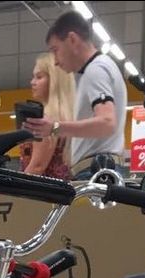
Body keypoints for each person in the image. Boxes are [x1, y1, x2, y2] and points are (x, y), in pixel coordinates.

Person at [23, 10, 127, 179]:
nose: (55, 61)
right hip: (95, 168)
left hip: (96, 170)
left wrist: (55, 127)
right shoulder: (94, 71)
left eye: (56, 50)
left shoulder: (96, 70)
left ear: (72, 39)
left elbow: (107, 123)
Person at [19, 54, 75, 179]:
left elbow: (37, 167)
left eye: (39, 77)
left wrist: (16, 187)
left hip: (43, 188)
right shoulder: (69, 118)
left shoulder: (46, 120)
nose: (32, 82)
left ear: (54, 81)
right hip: (64, 185)